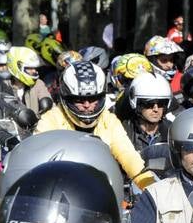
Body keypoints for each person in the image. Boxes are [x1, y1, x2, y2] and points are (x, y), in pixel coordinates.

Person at [35, 60, 157, 188]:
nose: (87, 105)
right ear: (66, 98)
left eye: (93, 99)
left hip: (101, 192)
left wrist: (150, 186)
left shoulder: (109, 120)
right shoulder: (49, 120)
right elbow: (37, 161)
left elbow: (128, 155)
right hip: (59, 191)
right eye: (79, 99)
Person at [123, 71, 172, 157]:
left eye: (161, 103)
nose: (156, 109)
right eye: (149, 104)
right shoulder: (123, 132)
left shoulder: (172, 131)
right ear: (137, 103)